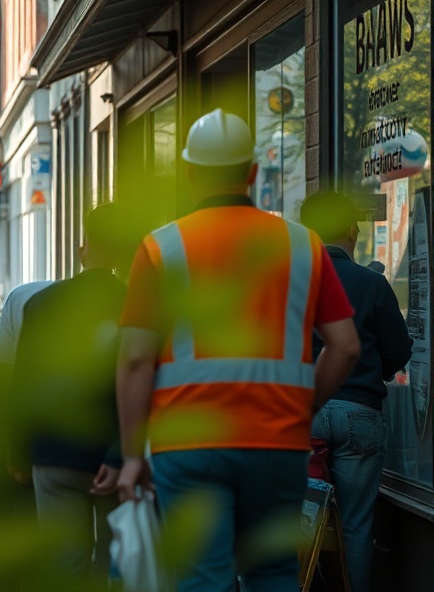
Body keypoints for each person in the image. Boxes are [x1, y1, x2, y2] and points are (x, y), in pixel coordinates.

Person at [115, 109, 361, 592]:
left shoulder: (162, 247)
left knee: (201, 577)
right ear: (252, 171)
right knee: (272, 574)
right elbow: (346, 347)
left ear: (189, 172)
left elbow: (136, 359)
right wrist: (304, 403)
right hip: (276, 439)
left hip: (189, 441)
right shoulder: (300, 244)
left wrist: (129, 455)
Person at [10, 202, 132, 581]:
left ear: (84, 249)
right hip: (118, 450)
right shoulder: (138, 304)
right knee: (119, 559)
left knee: (66, 566)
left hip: (53, 450)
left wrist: (17, 449)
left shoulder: (41, 304)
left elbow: (23, 383)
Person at [299, 191, 412, 592]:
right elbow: (400, 350)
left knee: (293, 521)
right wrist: (370, 373)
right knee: (356, 528)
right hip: (360, 412)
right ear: (352, 230)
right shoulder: (372, 283)